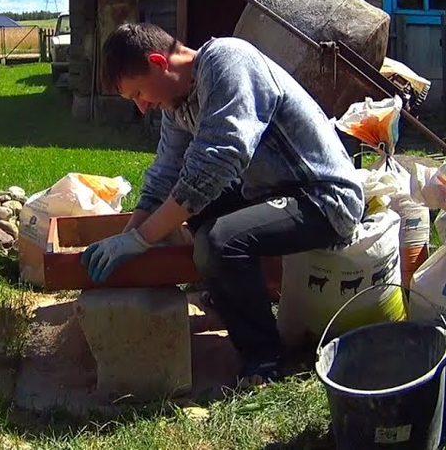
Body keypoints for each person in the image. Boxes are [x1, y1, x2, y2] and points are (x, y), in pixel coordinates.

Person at [80, 23, 364, 387]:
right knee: (198, 215)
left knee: (220, 242)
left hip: (323, 197)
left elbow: (217, 161)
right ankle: (233, 295)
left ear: (158, 62)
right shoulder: (178, 105)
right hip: (270, 191)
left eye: (139, 92)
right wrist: (127, 236)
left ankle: (264, 359)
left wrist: (142, 240)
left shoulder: (228, 61)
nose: (143, 106)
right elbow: (166, 173)